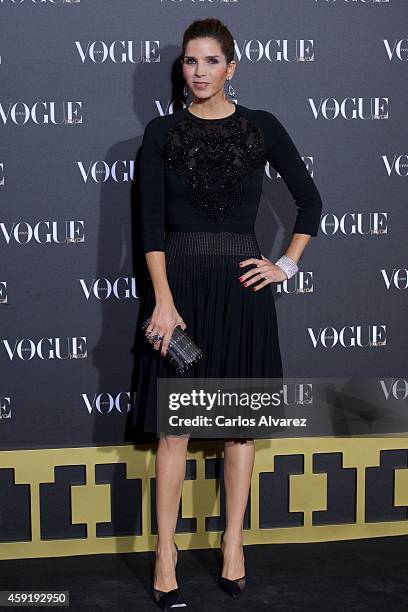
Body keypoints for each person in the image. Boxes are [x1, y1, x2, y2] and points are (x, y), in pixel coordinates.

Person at [133, 17, 323, 609]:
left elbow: (311, 201)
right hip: (180, 294)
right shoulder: (160, 135)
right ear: (181, 69)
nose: (200, 72)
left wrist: (284, 266)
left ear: (232, 67)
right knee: (175, 432)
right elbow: (150, 228)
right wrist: (163, 301)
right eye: (191, 62)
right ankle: (165, 552)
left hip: (244, 294)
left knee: (240, 431)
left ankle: (233, 544)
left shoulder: (261, 127)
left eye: (212, 61)